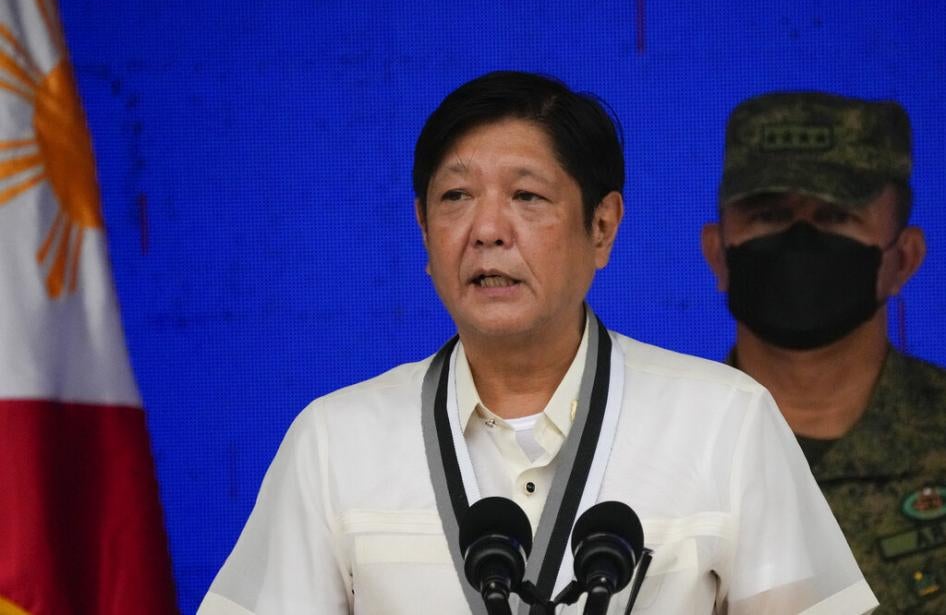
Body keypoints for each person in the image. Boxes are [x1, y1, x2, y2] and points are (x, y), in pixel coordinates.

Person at [199, 72, 877, 614]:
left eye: (527, 196)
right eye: (457, 196)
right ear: (423, 231)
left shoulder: (725, 421)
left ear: (603, 226)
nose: (488, 228)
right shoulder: (334, 441)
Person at [701, 92, 946, 614]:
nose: (799, 241)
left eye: (836, 215)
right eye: (769, 214)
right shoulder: (651, 452)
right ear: (717, 253)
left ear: (903, 259)